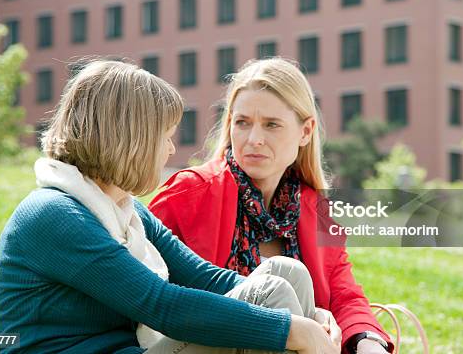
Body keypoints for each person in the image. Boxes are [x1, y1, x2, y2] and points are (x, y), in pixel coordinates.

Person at [0, 60, 340, 354]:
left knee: (285, 272)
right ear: (130, 139)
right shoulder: (54, 215)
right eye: (165, 136)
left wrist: (311, 319)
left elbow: (205, 278)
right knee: (275, 297)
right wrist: (294, 330)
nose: (172, 150)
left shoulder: (126, 210)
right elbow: (162, 306)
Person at [149, 58, 394, 354]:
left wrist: (368, 341)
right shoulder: (188, 193)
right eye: (242, 123)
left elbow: (346, 296)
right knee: (279, 289)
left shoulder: (315, 211)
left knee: (290, 277)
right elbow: (144, 291)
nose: (254, 139)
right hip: (191, 340)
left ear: (306, 131)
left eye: (271, 125)